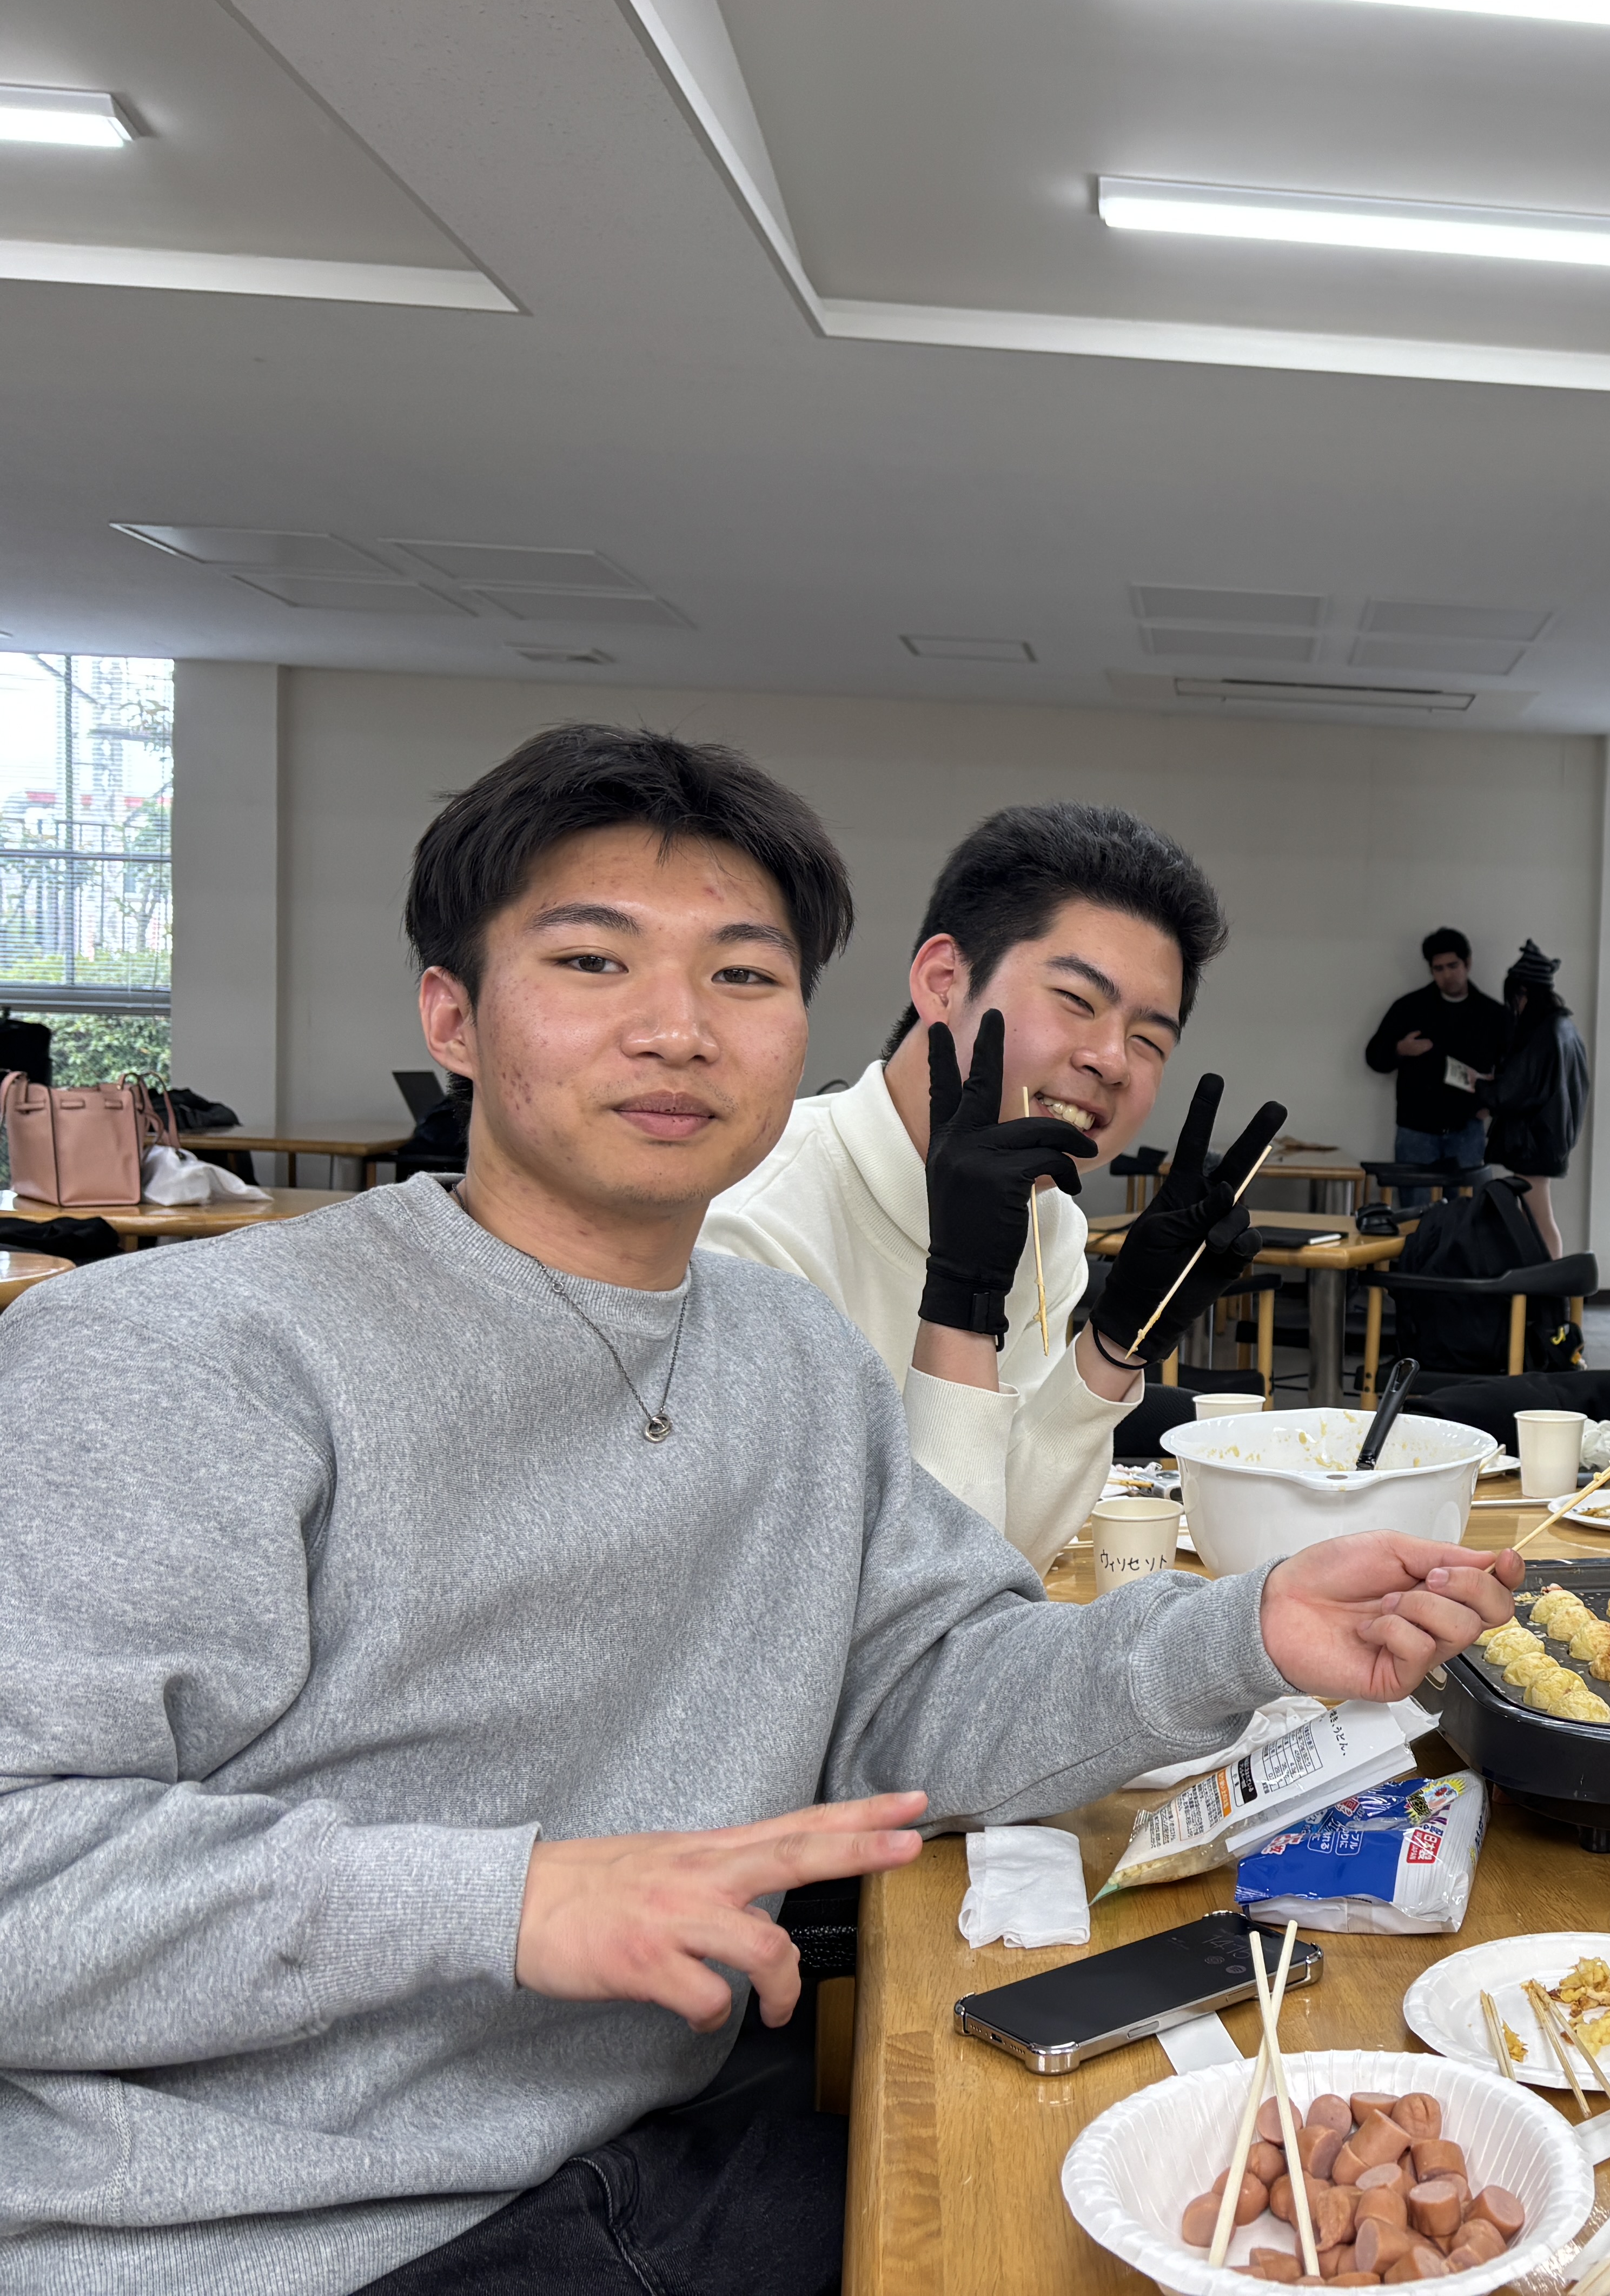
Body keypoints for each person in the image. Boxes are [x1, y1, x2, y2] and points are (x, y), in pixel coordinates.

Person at [0, 725, 1518, 2296]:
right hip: (264, 2235)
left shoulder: (788, 1367)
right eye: (593, 963)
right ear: (449, 1014)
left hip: (671, 2163)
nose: (676, 1031)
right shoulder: (191, 1357)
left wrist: (1247, 1630)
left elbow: (936, 1690)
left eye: (740, 976)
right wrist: (508, 1899)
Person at [702, 802, 1279, 1569]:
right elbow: (908, 1614)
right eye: (1077, 1001)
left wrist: (1115, 1346)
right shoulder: (753, 1226)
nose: (1112, 1059)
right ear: (944, 982)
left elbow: (1009, 1555)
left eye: (1149, 1040)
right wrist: (965, 1301)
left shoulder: (1050, 1224)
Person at [1364, 926, 1512, 1182]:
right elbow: (1374, 1057)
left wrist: (1491, 1104)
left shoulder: (1493, 1015)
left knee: (1466, 1214)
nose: (1447, 975)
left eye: (1453, 966)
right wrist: (1400, 1049)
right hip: (1416, 1130)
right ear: (1431, 970)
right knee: (1416, 1214)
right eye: (1439, 969)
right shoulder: (1409, 1008)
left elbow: (1513, 1070)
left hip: (1467, 1128)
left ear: (1468, 963)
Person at [1487, 938, 1589, 1255]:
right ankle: (1539, 1295)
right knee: (1534, 1219)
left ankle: (1547, 1297)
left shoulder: (1544, 1034)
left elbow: (1515, 1092)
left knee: (1540, 1221)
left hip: (1534, 1143)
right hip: (1549, 1139)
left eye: (1514, 998)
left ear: (1525, 993)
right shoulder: (1565, 1029)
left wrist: (1482, 1087)